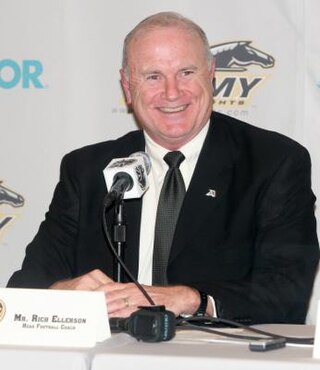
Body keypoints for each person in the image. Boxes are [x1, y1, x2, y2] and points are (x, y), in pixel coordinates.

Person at [7, 11, 319, 325]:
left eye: (186, 72)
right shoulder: (87, 170)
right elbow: (22, 290)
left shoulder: (273, 162)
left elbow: (287, 293)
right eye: (153, 76)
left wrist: (190, 299)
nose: (172, 93)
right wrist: (64, 294)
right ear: (128, 87)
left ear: (211, 74)